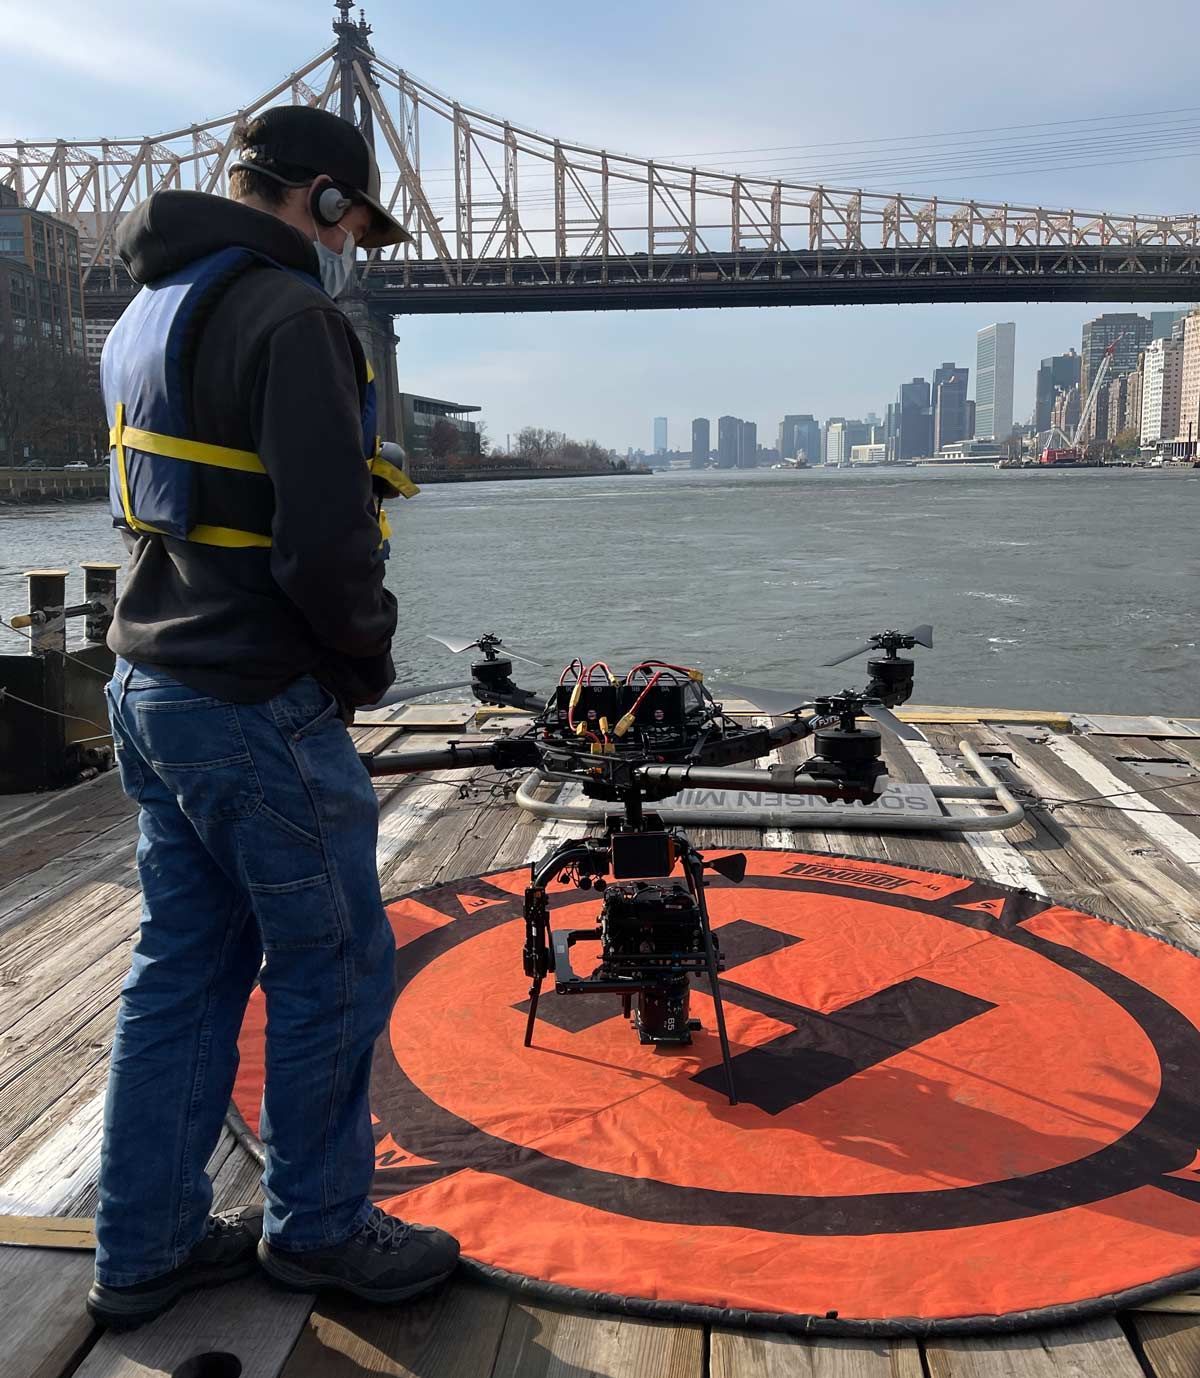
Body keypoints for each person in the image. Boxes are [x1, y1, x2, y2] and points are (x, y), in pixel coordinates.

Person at [88, 105, 459, 1330]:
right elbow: (324, 541)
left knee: (183, 968)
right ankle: (324, 1228)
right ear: (328, 202)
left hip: (149, 680)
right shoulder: (295, 317)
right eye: (355, 223)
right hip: (253, 694)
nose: (354, 248)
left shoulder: (144, 311)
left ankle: (139, 1245)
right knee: (335, 962)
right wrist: (363, 662)